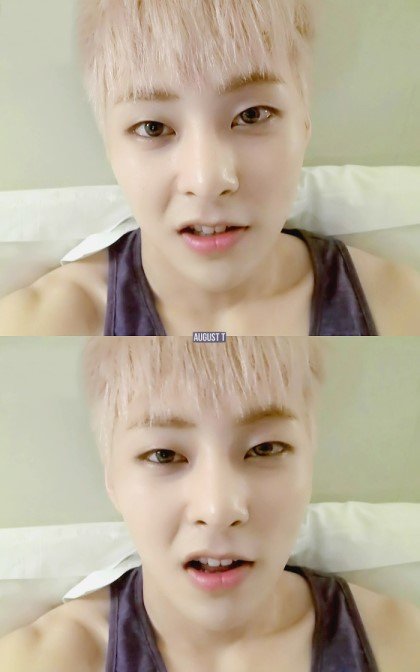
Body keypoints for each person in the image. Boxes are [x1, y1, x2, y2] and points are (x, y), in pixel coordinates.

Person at [1, 336, 419, 671]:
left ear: (310, 463)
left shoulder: (402, 644)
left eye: (265, 448)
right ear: (113, 480)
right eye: (164, 455)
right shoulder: (36, 660)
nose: (218, 509)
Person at [0, 1, 419, 336]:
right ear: (110, 147)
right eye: (153, 127)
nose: (207, 181)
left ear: (305, 125)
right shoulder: (36, 325)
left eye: (252, 114)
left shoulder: (400, 308)